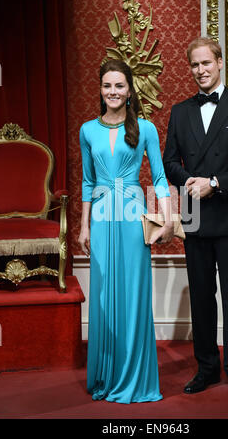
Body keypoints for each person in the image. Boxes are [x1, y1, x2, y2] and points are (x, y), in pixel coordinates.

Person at [163, 37, 228, 400]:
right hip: (194, 213)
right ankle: (206, 368)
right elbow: (170, 161)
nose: (201, 70)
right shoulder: (180, 111)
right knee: (202, 298)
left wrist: (216, 183)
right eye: (194, 65)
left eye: (206, 63)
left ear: (220, 63)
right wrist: (187, 180)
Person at [78, 59, 173, 404]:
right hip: (102, 216)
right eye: (107, 85)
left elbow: (160, 178)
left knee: (133, 295)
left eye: (119, 86)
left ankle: (133, 377)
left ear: (130, 90)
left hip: (133, 214)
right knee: (103, 297)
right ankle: (106, 375)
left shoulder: (146, 128)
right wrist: (83, 225)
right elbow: (88, 181)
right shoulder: (87, 130)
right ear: (100, 90)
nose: (113, 92)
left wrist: (167, 218)